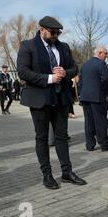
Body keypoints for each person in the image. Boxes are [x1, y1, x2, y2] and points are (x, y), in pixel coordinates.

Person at [17, 16, 87, 189]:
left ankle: (67, 172)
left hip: (60, 98)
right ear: (42, 30)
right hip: (40, 99)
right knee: (42, 138)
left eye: (58, 32)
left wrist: (65, 72)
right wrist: (49, 78)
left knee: (62, 137)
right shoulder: (28, 45)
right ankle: (47, 175)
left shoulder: (63, 47)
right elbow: (23, 72)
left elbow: (74, 68)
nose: (56, 35)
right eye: (53, 32)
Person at [79, 45, 108, 152]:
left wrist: (81, 94)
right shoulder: (101, 64)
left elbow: (80, 82)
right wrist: (106, 94)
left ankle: (90, 145)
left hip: (85, 97)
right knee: (101, 121)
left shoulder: (85, 65)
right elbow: (104, 80)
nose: (106, 56)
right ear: (99, 53)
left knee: (88, 122)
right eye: (105, 54)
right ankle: (104, 144)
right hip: (97, 97)